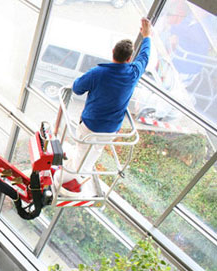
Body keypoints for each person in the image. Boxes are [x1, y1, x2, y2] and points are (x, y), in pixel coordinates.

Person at [55, 17, 151, 196]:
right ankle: (78, 170)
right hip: (109, 130)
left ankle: (63, 180)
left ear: (112, 51)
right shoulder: (133, 73)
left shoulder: (98, 73)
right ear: (129, 59)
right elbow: (144, 56)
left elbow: (76, 89)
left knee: (82, 154)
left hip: (90, 125)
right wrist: (147, 36)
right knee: (92, 153)